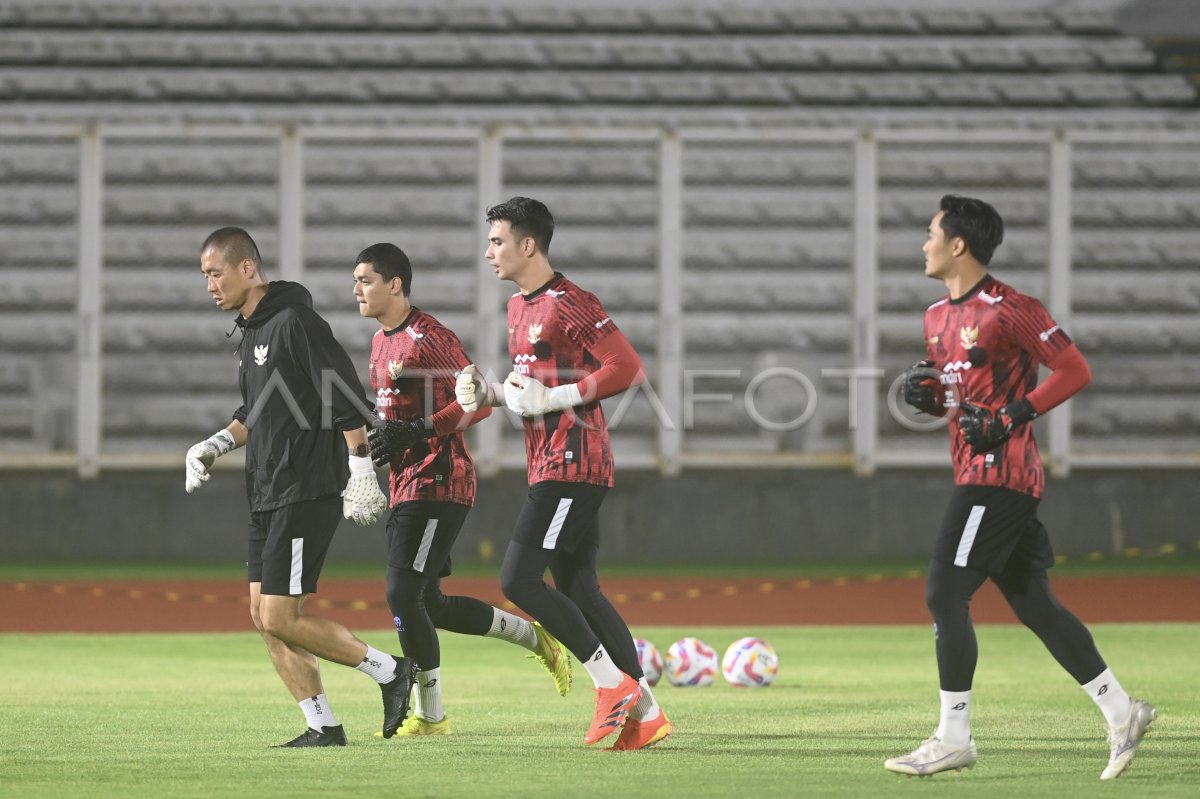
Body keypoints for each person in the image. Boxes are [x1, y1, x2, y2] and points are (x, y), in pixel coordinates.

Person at [886, 196, 1155, 779]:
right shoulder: (935, 317)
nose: (923, 243)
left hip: (1000, 477)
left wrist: (1011, 417)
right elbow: (963, 401)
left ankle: (954, 736)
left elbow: (1075, 370)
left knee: (943, 592)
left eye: (930, 233)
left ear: (958, 244)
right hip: (975, 471)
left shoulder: (1012, 308)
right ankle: (1122, 710)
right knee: (1036, 605)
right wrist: (937, 401)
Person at [185, 226, 418, 747]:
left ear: (248, 269)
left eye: (215, 273)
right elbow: (255, 414)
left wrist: (360, 466)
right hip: (266, 492)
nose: (209, 286)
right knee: (262, 616)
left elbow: (343, 390)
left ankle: (390, 671)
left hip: (305, 488)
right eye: (204, 276)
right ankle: (322, 725)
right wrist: (213, 445)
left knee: (280, 614)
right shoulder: (250, 335)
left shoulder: (294, 322)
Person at [455, 197, 671, 750]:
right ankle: (646, 713)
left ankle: (610, 685)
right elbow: (534, 396)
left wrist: (558, 394)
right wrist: (492, 393)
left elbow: (627, 367)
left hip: (573, 462)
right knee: (580, 587)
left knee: (518, 580)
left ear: (529, 245)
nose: (488, 252)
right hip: (551, 461)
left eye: (497, 241)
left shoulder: (569, 302)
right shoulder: (516, 308)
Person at [351, 242, 573, 737]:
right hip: (408, 483)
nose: (356, 290)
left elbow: (478, 404)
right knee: (430, 603)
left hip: (439, 480)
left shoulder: (429, 337)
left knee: (400, 592)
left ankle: (430, 716)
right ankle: (536, 639)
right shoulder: (379, 342)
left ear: (395, 284)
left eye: (365, 280)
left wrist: (420, 430)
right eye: (355, 281)